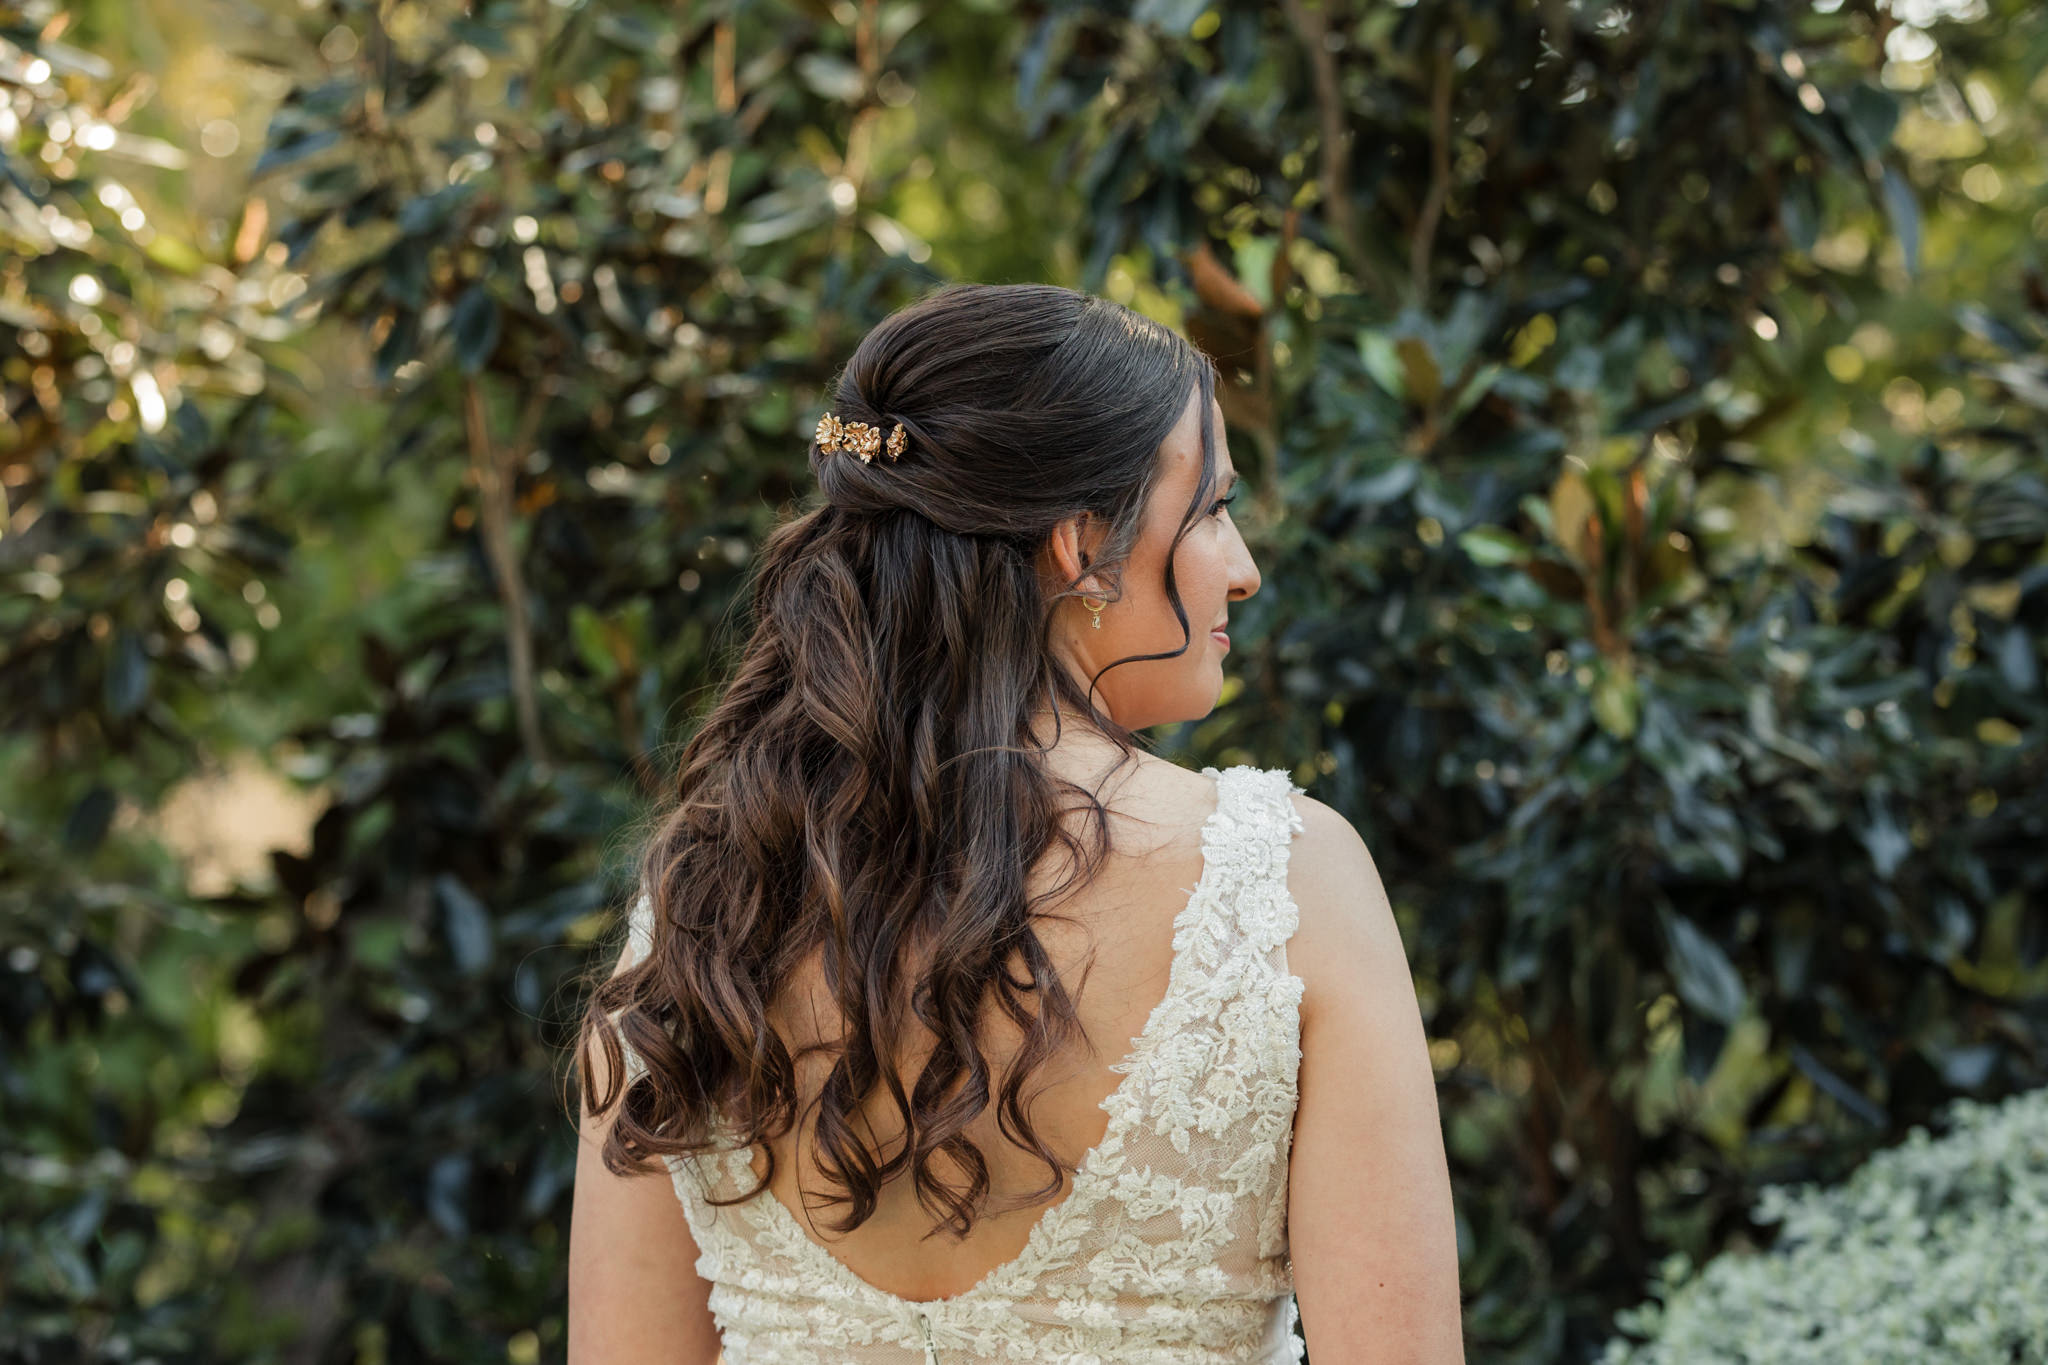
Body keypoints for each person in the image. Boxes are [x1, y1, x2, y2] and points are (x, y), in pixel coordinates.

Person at [568, 282, 1462, 1363]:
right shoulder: (1284, 887)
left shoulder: (704, 905)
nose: (1243, 569)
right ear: (1080, 544)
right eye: (1215, 509)